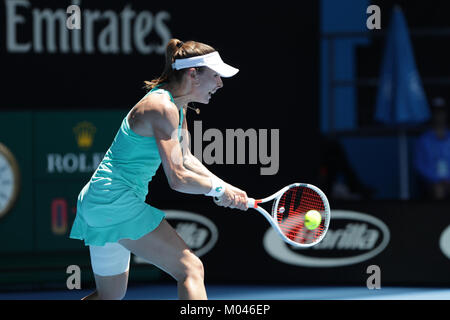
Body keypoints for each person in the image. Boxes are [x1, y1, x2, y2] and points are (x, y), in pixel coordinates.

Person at [69, 39, 248, 300]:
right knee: (191, 269)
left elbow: (186, 159)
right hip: (115, 201)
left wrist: (227, 188)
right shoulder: (162, 108)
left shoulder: (177, 106)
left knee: (109, 298)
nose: (220, 83)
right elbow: (177, 178)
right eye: (215, 75)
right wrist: (218, 190)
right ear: (193, 75)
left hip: (99, 201)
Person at [414, 97, 450, 200]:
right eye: (436, 113)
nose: (439, 116)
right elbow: (419, 166)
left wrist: (448, 180)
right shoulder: (423, 140)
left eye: (441, 112)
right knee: (438, 190)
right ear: (432, 114)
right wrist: (435, 180)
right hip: (431, 183)